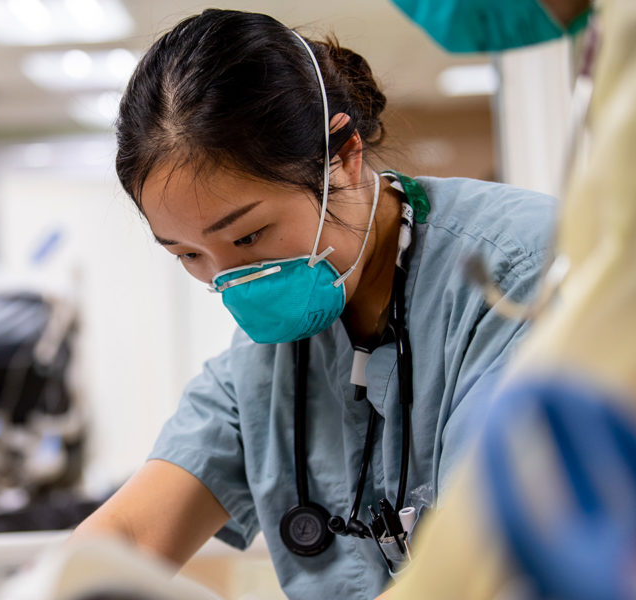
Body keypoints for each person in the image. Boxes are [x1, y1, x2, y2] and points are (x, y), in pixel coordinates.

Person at [72, 9, 555, 599]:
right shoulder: (266, 365)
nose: (232, 281)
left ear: (345, 158)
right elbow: (126, 537)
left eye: (248, 237)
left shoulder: (520, 276)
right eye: (188, 255)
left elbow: (483, 565)